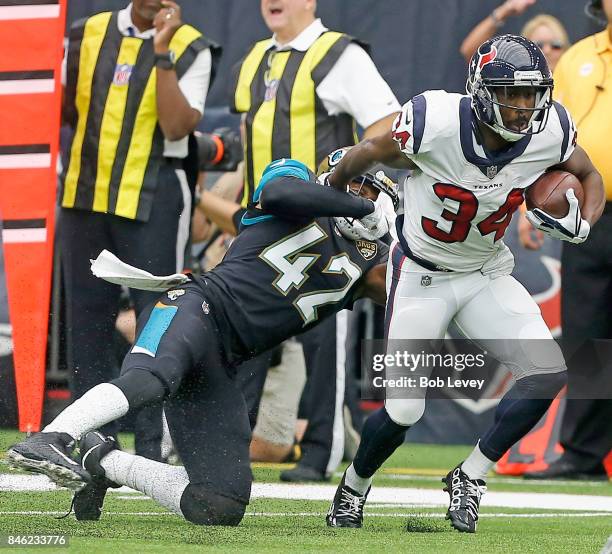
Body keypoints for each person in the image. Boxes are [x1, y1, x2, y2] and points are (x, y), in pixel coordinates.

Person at [7, 157, 395, 526]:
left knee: (219, 503)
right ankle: (50, 438)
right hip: (194, 306)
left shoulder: (371, 263)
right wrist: (359, 207)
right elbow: (278, 193)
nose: (358, 196)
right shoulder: (296, 186)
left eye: (368, 193)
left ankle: (104, 461)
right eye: (352, 185)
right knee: (150, 379)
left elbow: (409, 285)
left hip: (223, 362)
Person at [324, 35, 605, 532]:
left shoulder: (551, 128)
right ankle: (354, 487)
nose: (523, 108)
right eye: (510, 94)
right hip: (422, 276)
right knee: (405, 411)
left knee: (546, 370)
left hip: (485, 273)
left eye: (532, 94)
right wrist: (332, 190)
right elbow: (369, 150)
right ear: (479, 90)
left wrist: (585, 222)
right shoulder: (435, 121)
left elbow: (588, 173)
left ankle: (471, 475)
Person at [230, 0, 401, 482]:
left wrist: (350, 182)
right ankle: (228, 444)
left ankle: (321, 451)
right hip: (262, 224)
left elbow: (386, 124)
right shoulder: (255, 58)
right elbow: (252, 139)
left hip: (325, 225)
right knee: (247, 335)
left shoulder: (338, 53)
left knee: (327, 337)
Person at [59, 0, 219, 460]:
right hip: (85, 194)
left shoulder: (193, 46)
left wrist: (162, 49)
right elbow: (66, 111)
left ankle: (153, 444)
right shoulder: (84, 33)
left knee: (157, 320)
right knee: (86, 323)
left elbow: (177, 125)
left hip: (154, 197)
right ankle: (90, 442)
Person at [522, 0, 612, 481]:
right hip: (593, 212)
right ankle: (583, 452)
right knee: (588, 336)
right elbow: (553, 136)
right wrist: (530, 202)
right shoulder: (578, 56)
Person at [460, 1, 569, 71]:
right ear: (523, 52)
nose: (547, 51)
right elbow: (472, 53)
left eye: (556, 46)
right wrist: (504, 10)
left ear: (566, 50)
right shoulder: (512, 80)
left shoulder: (575, 79)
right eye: (538, 45)